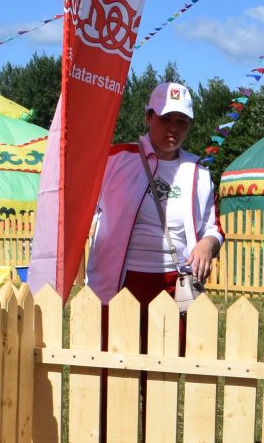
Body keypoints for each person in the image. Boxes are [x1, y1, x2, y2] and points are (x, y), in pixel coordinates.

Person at [84, 81, 223, 334]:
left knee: (165, 370)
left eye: (182, 121)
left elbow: (214, 228)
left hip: (176, 285)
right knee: (116, 369)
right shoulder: (113, 160)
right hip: (117, 284)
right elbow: (79, 208)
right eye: (166, 118)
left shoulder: (199, 172)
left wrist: (207, 244)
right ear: (149, 117)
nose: (173, 127)